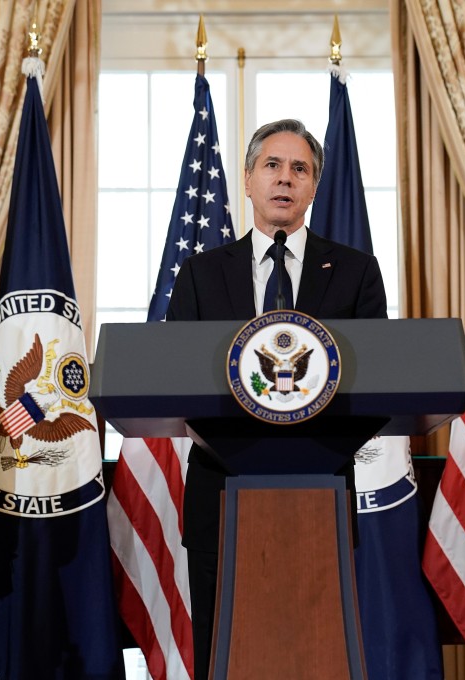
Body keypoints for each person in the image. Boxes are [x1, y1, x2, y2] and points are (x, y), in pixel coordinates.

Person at [166, 119, 387, 679]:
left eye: (300, 169)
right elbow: (173, 381)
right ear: (248, 180)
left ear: (314, 186)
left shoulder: (357, 272)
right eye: (272, 165)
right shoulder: (199, 274)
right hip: (221, 492)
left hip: (321, 492)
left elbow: (377, 383)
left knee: (317, 656)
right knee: (223, 655)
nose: (285, 179)